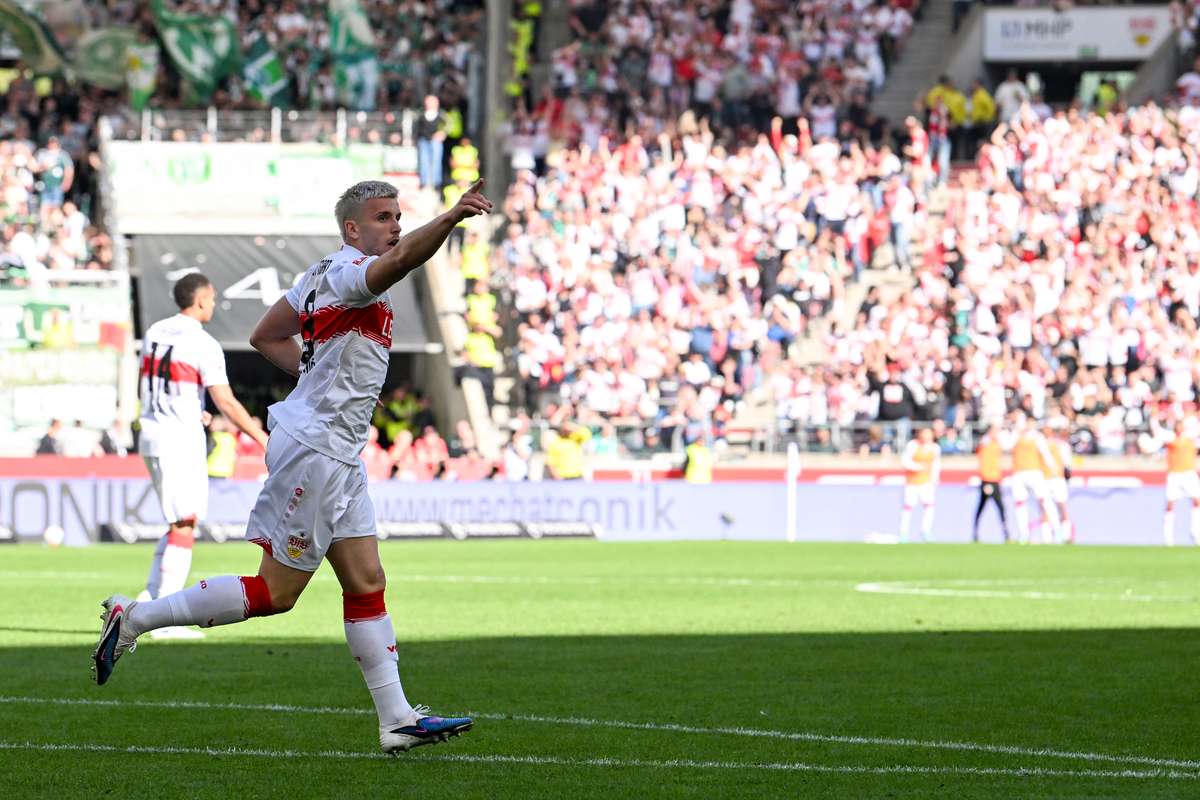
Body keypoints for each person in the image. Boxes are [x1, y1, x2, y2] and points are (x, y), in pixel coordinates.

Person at [92, 178, 494, 756]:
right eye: (383, 217)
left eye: (398, 216)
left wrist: (329, 382)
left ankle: (397, 720)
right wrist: (452, 216)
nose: (395, 226)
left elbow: (265, 335)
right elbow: (405, 258)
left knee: (367, 582)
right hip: (317, 448)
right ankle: (133, 618)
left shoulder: (315, 276)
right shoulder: (351, 272)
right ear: (352, 229)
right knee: (276, 592)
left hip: (337, 448)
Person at [133, 273, 269, 640]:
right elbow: (225, 400)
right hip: (179, 439)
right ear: (200, 301)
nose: (214, 303)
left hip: (152, 432)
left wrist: (193, 408)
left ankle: (148, 599)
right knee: (186, 522)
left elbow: (158, 383)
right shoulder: (203, 343)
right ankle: (164, 618)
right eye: (211, 298)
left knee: (178, 520)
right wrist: (260, 437)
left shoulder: (155, 331)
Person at [1009, 415, 1060, 544]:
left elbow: (1045, 453)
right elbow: (1007, 446)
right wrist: (1016, 432)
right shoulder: (1016, 435)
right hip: (1019, 473)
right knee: (1020, 503)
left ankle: (1057, 530)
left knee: (1045, 500)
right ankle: (1023, 533)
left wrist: (1053, 467)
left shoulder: (1037, 437)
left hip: (1034, 472)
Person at [1163, 419, 1200, 546]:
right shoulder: (1171, 439)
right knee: (1170, 504)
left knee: (1197, 501)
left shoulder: (1190, 438)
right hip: (1174, 474)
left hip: (1189, 473)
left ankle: (1195, 533)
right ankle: (1168, 537)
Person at [899, 427, 939, 542]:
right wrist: (918, 467)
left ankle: (926, 531)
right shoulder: (913, 445)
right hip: (912, 482)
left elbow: (936, 464)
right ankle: (903, 532)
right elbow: (905, 461)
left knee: (929, 507)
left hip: (927, 482)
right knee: (908, 507)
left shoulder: (935, 448)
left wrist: (935, 478)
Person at [972, 423, 1009, 543]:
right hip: (987, 480)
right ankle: (975, 532)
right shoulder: (985, 443)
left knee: (1000, 507)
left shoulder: (996, 444)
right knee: (982, 507)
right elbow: (979, 452)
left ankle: (1006, 532)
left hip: (996, 479)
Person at [1042, 421, 1074, 544]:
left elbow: (1067, 464)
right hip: (1046, 479)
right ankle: (1048, 536)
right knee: (1047, 507)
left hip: (1056, 478)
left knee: (1061, 506)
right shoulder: (1043, 444)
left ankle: (1065, 535)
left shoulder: (1061, 445)